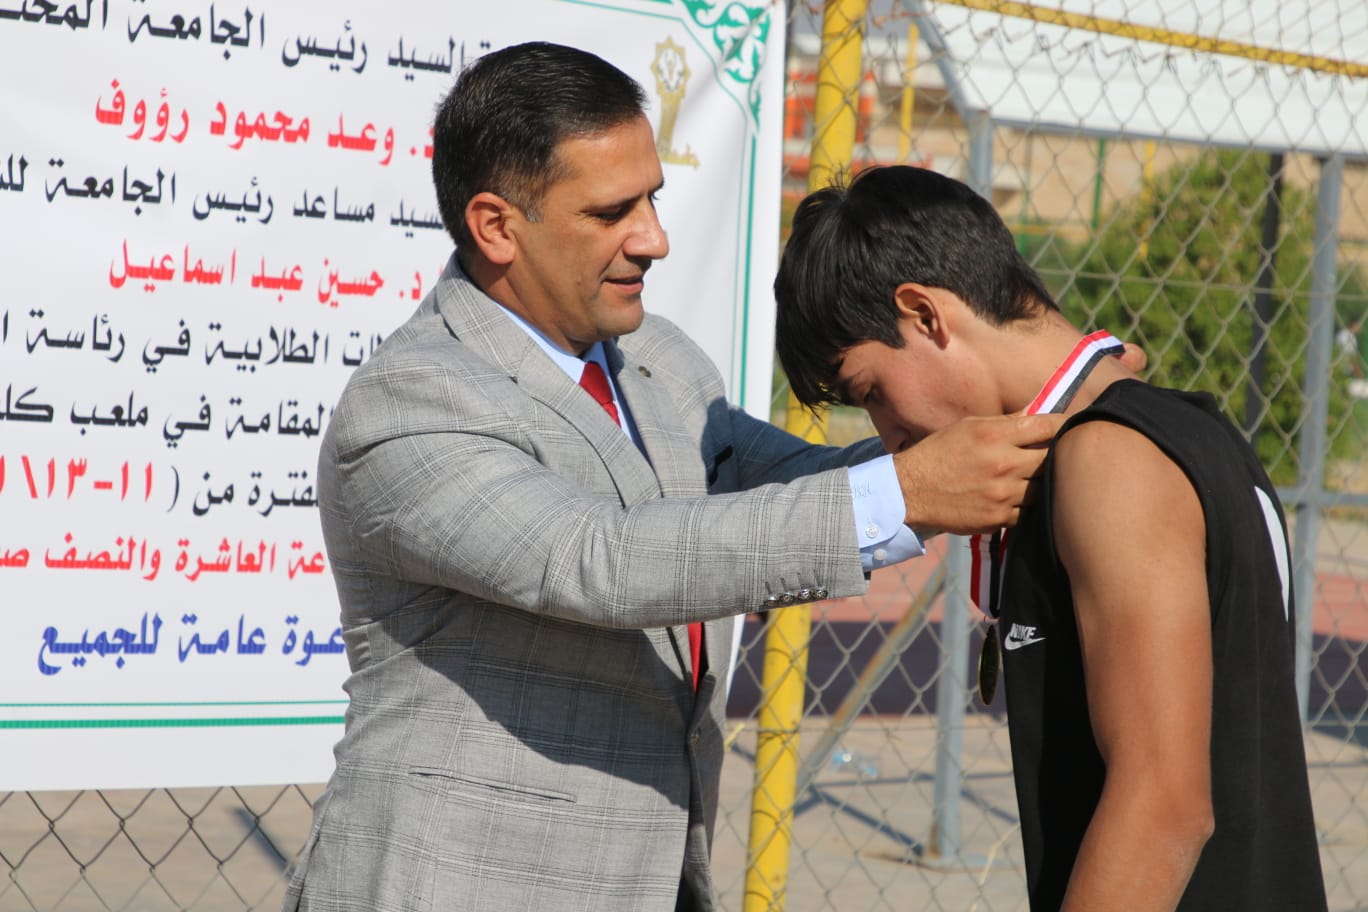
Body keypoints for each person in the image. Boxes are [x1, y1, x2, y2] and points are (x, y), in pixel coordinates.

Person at [283, 44, 1067, 912]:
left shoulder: (657, 359)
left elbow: (796, 485)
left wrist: (1061, 418)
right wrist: (915, 491)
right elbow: (599, 560)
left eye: (651, 197)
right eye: (611, 211)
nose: (653, 238)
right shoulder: (410, 402)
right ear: (497, 226)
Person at [774, 165, 1327, 911]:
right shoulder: (1184, 425)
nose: (889, 436)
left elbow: (1164, 807)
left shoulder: (1109, 458)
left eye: (871, 392)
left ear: (925, 314)